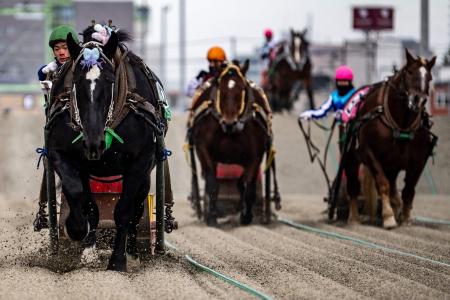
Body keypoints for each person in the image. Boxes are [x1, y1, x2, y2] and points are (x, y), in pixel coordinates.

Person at [37, 25, 79, 91]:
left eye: (65, 48)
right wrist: (44, 70)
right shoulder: (53, 69)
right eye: (57, 49)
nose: (61, 53)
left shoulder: (83, 67)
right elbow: (41, 75)